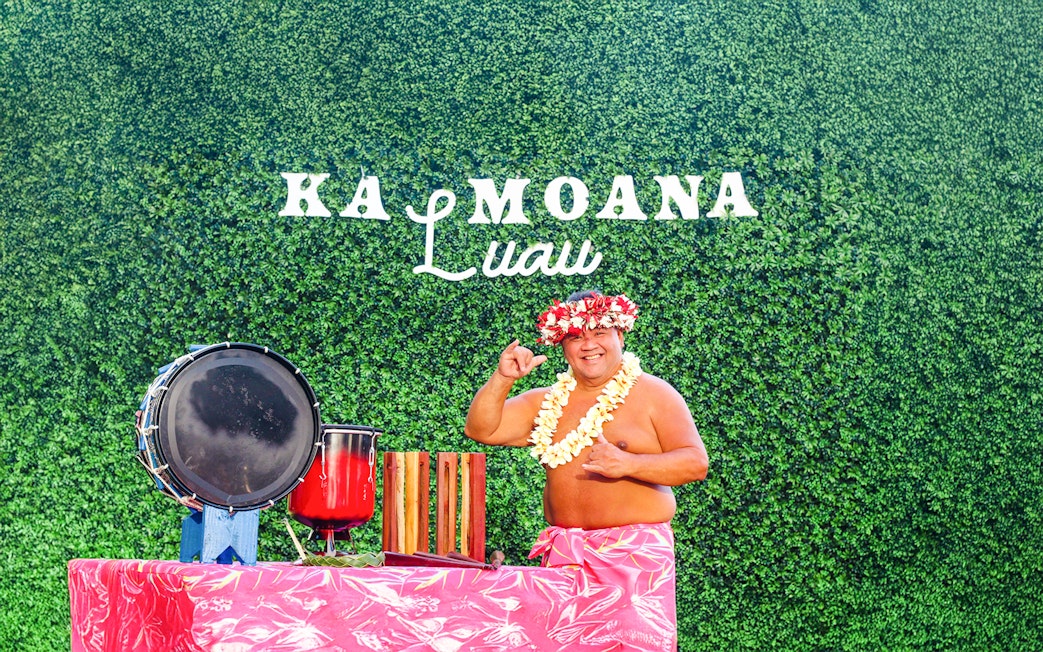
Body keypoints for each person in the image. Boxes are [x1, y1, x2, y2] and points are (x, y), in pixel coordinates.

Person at [464, 290, 708, 651]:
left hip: (633, 558)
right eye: (576, 336)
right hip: (565, 555)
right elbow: (481, 429)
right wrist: (503, 379)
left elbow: (695, 463)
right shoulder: (546, 402)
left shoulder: (655, 395)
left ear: (620, 336)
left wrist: (629, 463)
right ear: (563, 345)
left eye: (599, 333)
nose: (588, 345)